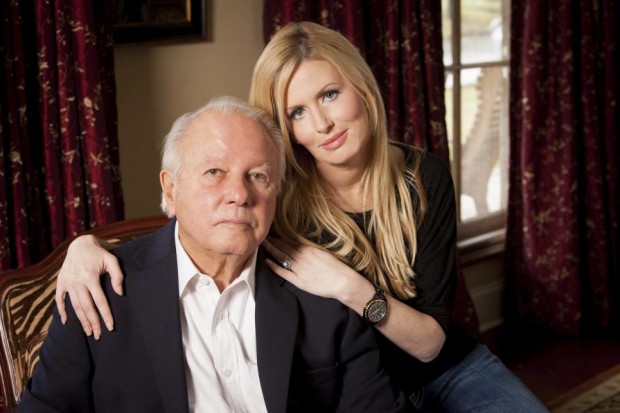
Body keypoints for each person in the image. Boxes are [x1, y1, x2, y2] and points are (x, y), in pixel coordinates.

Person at [54, 22, 548, 412]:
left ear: (360, 86)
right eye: (296, 112)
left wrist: (349, 287)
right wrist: (83, 246)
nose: (323, 123)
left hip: (443, 366)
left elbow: (430, 345)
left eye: (330, 95)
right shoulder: (272, 193)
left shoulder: (423, 178)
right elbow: (197, 217)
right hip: (351, 385)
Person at [20, 96, 406, 412]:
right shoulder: (99, 289)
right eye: (214, 172)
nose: (240, 194)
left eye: (258, 176)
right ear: (171, 189)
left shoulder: (322, 290)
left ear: (276, 194)